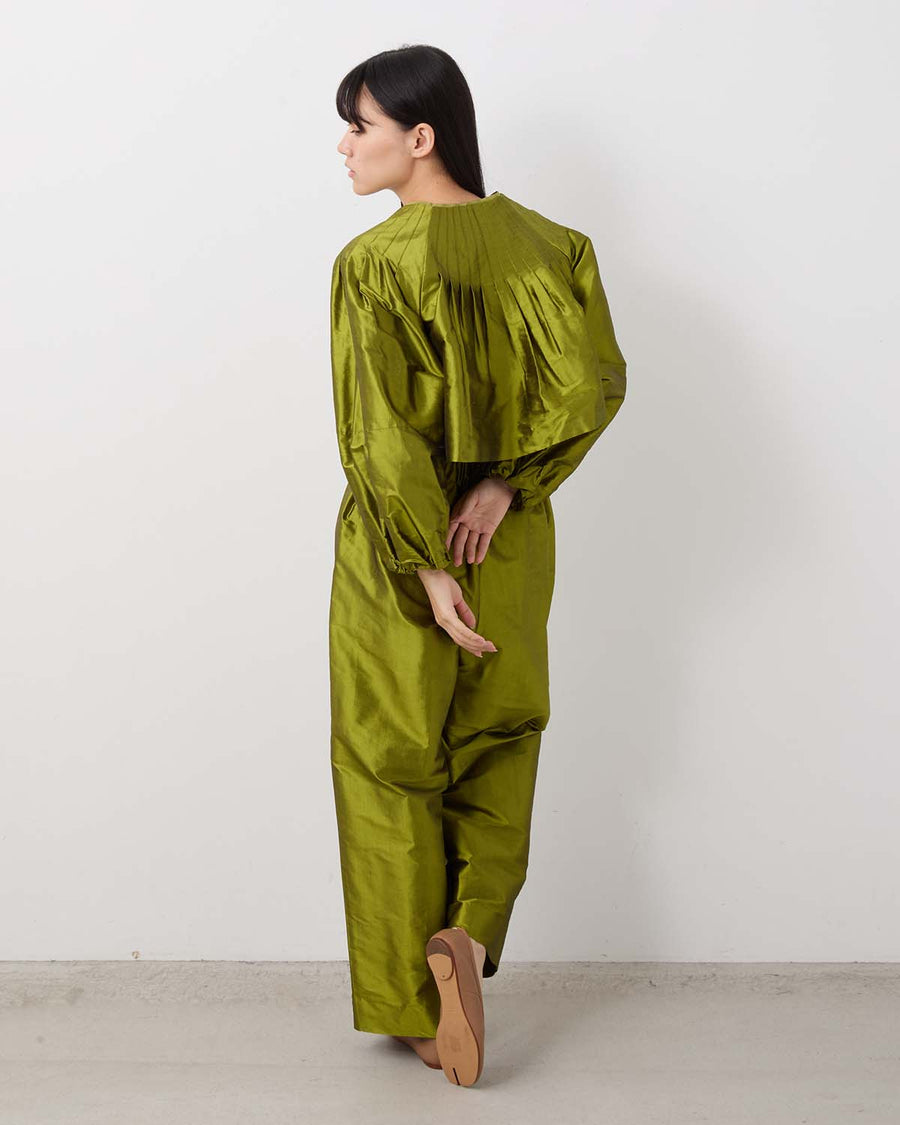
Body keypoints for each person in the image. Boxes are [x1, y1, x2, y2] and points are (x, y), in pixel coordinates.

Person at [328, 44, 627, 1087]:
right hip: (510, 532)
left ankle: (418, 1007)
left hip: (404, 543)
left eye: (359, 125)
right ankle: (472, 933)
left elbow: (379, 432)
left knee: (389, 760)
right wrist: (504, 485)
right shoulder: (557, 247)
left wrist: (424, 565)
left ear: (420, 137)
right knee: (501, 737)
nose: (344, 146)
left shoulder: (373, 264)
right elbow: (595, 383)